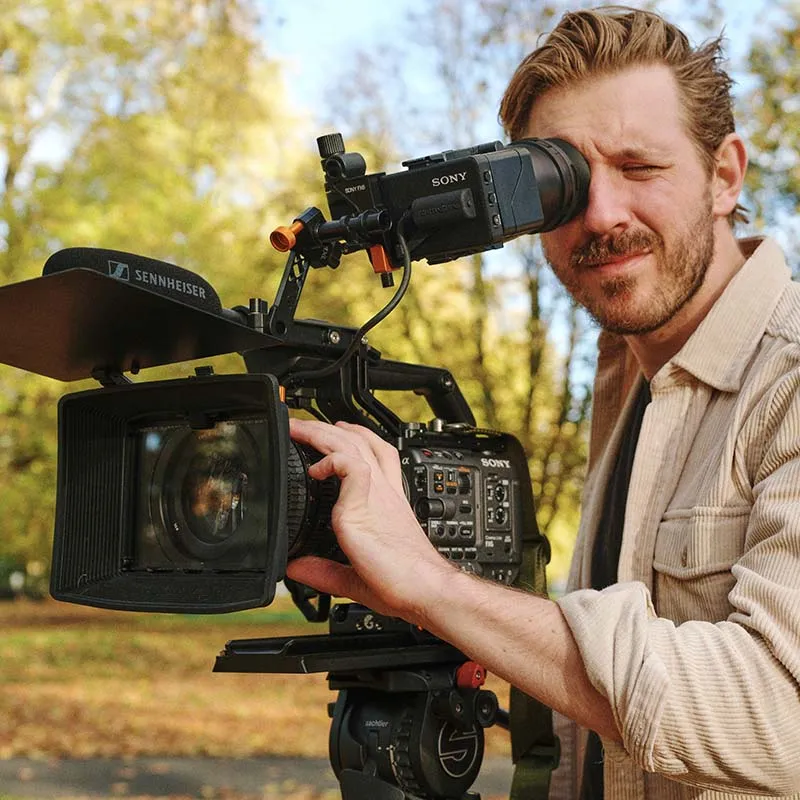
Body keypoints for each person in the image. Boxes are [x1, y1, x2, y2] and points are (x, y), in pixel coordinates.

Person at [287, 6, 800, 798]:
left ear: (725, 174)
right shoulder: (628, 381)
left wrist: (433, 585)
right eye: (564, 187)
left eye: (641, 167)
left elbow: (777, 716)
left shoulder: (788, 379)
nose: (600, 216)